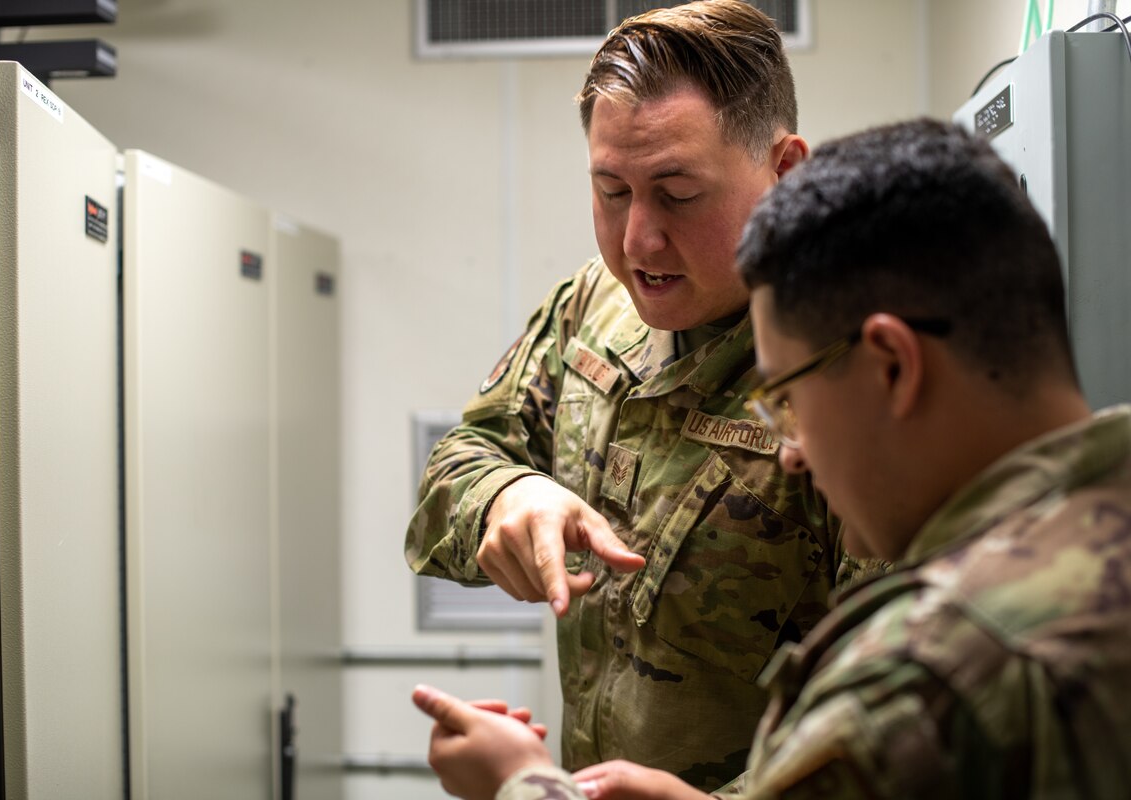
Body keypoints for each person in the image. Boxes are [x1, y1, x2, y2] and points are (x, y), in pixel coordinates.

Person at [412, 117, 1131, 799]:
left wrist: (521, 780)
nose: (792, 452)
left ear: (891, 366)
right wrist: (507, 493)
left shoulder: (926, 678)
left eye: (788, 398)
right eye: (611, 190)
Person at [405, 1, 865, 789]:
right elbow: (456, 465)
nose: (637, 240)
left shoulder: (852, 376)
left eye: (677, 193)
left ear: (786, 171)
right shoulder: (594, 306)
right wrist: (507, 496)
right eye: (612, 190)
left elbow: (893, 740)